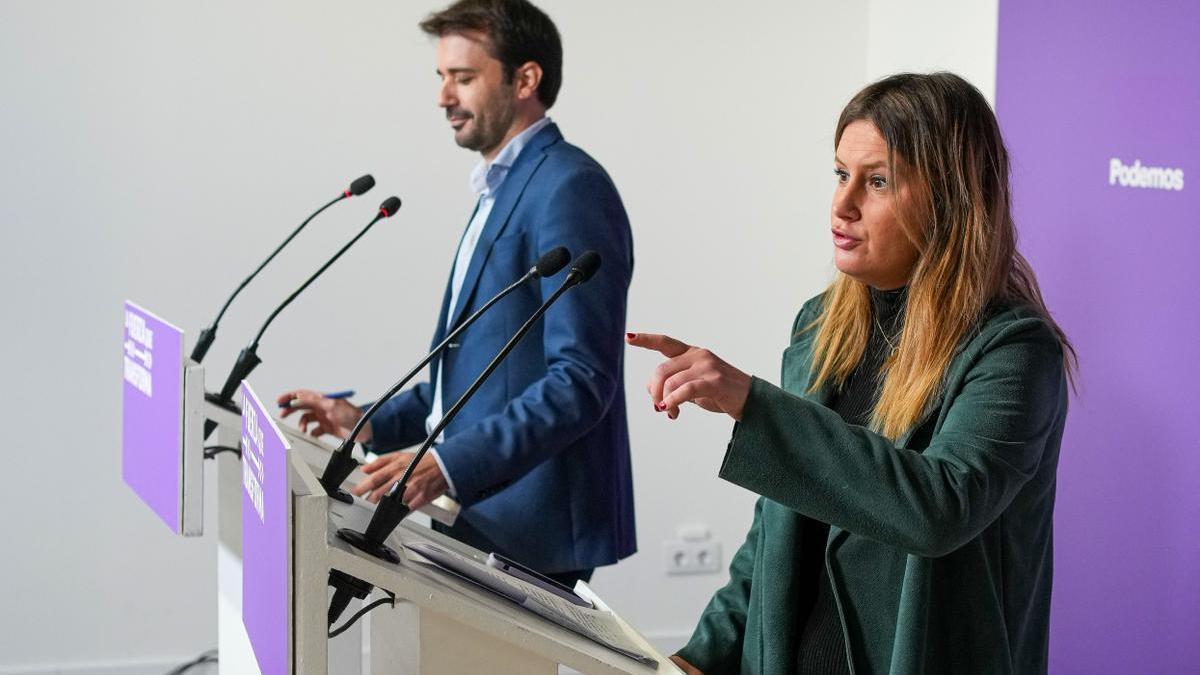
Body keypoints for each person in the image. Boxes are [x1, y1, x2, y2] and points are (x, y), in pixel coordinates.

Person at [629, 72, 1074, 674]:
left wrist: (753, 405)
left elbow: (937, 508)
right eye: (841, 174)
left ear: (950, 198)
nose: (842, 204)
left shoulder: (1014, 353)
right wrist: (702, 657)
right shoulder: (820, 325)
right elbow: (774, 530)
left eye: (878, 181)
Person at [279, 0, 635, 587]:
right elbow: (478, 376)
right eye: (442, 77)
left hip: (528, 523)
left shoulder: (569, 188)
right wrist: (364, 420)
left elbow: (581, 380)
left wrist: (447, 465)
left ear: (525, 79)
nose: (444, 97)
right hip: (477, 510)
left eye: (464, 78)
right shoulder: (503, 186)